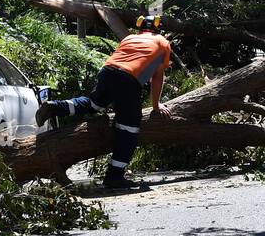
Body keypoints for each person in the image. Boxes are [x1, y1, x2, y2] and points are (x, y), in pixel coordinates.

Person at [36, 13, 173, 190]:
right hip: (128, 79)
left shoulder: (130, 38)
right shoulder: (162, 42)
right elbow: (157, 77)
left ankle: (55, 107)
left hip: (108, 70)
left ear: (140, 27)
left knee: (94, 104)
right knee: (128, 129)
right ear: (158, 28)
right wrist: (156, 106)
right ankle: (114, 176)